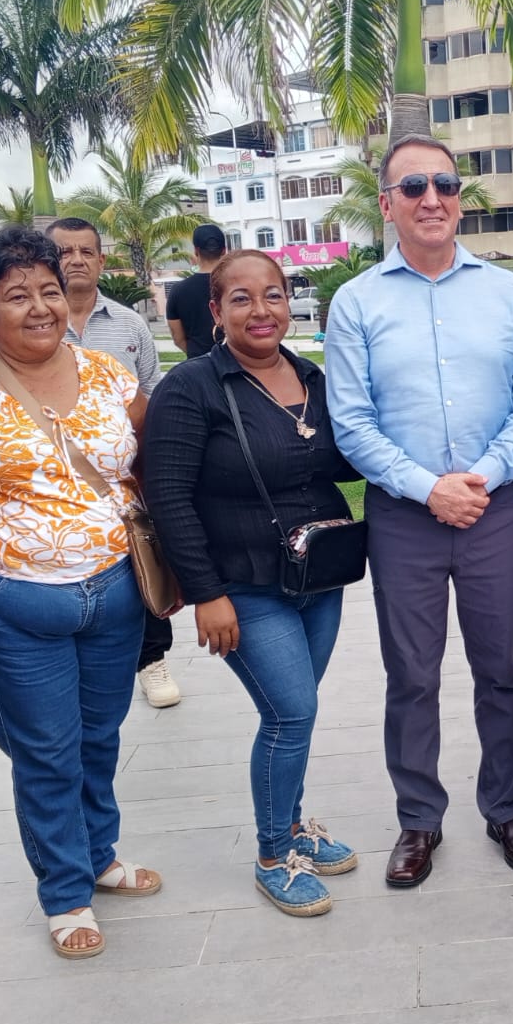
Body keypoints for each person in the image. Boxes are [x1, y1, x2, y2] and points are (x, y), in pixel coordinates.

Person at [0, 227, 162, 960]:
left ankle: (100, 854)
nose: (40, 307)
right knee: (47, 753)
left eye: (50, 291)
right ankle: (65, 892)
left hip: (114, 593)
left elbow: (146, 467)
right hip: (14, 603)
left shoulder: (109, 375)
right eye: (17, 295)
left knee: (99, 737)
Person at [326, 134, 513, 888]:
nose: (432, 199)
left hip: (491, 510)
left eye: (445, 185)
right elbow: (352, 422)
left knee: (501, 670)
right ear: (386, 205)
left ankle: (507, 809)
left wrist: (478, 479)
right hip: (402, 517)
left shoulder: (507, 293)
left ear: (460, 199)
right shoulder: (356, 302)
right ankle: (419, 819)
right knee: (412, 676)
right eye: (414, 186)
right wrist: (429, 489)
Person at [144, 249, 360, 915]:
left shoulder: (312, 376)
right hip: (244, 585)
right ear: (215, 310)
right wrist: (207, 595)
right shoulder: (192, 388)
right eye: (241, 298)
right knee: (291, 712)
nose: (261, 310)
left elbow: (345, 460)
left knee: (294, 711)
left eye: (273, 295)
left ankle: (292, 824)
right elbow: (168, 497)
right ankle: (274, 855)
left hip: (318, 574)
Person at [45, 217, 178, 710]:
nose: (76, 260)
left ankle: (152, 659)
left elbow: (152, 392)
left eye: (86, 251)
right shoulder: (35, 322)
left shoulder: (128, 324)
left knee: (142, 562)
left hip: (121, 478)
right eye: (64, 252)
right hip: (55, 482)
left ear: (102, 261)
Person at [166, 224, 226, 359]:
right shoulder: (237, 285)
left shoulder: (178, 290)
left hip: (198, 363)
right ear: (224, 250)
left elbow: (178, 338)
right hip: (237, 363)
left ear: (196, 250)